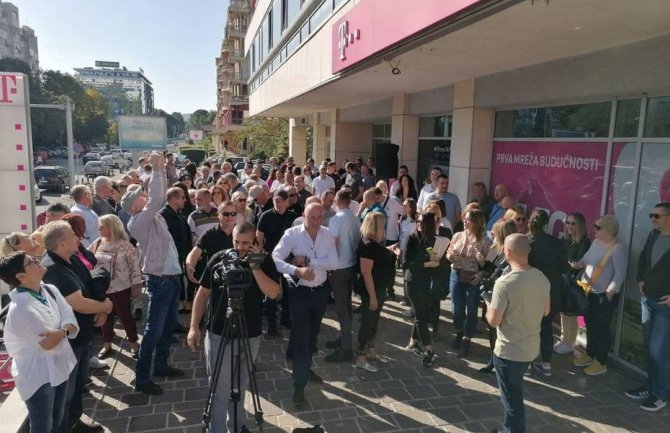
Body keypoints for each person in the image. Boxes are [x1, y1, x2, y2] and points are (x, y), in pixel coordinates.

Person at [187, 223, 280, 433]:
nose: (239, 247)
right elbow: (202, 294)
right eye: (236, 242)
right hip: (220, 333)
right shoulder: (219, 259)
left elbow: (273, 292)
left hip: (250, 334)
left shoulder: (264, 261)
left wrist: (255, 266)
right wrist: (194, 326)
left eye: (246, 243)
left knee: (240, 386)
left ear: (255, 242)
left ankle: (236, 427)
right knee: (219, 390)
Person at [122, 151, 185, 395]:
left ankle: (160, 366)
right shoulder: (138, 221)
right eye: (140, 196)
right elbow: (158, 196)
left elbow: (158, 195)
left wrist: (164, 169)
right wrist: (158, 169)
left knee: (167, 327)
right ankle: (142, 377)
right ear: (134, 206)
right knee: (153, 330)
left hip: (170, 279)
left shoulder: (150, 216)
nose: (145, 196)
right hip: (160, 282)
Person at [41, 221, 113, 433]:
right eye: (73, 235)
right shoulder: (54, 269)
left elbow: (90, 283)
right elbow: (78, 302)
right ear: (62, 244)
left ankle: (75, 422)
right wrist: (106, 307)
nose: (78, 238)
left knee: (79, 384)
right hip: (67, 342)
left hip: (80, 337)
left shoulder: (71, 258)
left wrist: (99, 309)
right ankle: (64, 427)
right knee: (66, 391)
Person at [0, 251, 79, 433]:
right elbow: (48, 343)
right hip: (38, 376)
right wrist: (65, 330)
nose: (38, 261)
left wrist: (61, 331)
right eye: (32, 262)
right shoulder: (20, 309)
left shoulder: (49, 289)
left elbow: (70, 318)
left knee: (57, 419)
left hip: (60, 366)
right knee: (43, 426)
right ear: (21, 276)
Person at [272, 203, 338, 406]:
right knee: (302, 336)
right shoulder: (292, 234)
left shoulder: (327, 234)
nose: (316, 222)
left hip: (320, 292)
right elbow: (275, 258)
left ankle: (305, 368)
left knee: (312, 335)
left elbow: (334, 263)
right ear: (304, 215)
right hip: (299, 292)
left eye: (319, 217)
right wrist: (295, 270)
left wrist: (309, 261)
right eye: (312, 217)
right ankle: (298, 387)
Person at [485, 234, 550, 433]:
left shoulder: (504, 283)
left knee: (512, 400)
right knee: (514, 393)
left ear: (508, 252)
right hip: (530, 349)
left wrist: (488, 304)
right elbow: (546, 311)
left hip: (508, 352)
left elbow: (494, 320)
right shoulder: (541, 277)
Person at [626, 202, 670, 411]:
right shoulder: (654, 235)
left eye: (657, 216)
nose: (653, 219)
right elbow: (644, 258)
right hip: (648, 301)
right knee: (649, 348)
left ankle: (660, 394)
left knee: (658, 350)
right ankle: (650, 386)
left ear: (668, 217)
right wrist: (640, 279)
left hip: (665, 306)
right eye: (652, 215)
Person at [572, 215, 627, 376]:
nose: (594, 230)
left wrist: (610, 292)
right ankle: (590, 354)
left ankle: (601, 361)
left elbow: (620, 272)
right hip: (589, 292)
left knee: (602, 328)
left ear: (609, 230)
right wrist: (580, 263)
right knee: (589, 324)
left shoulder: (617, 248)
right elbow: (587, 258)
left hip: (603, 295)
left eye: (598, 227)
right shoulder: (596, 242)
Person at [89, 215, 141, 359]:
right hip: (102, 288)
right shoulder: (98, 243)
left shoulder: (125, 245)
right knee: (105, 317)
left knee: (126, 317)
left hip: (121, 288)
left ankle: (134, 344)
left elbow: (135, 267)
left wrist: (137, 285)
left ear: (111, 227)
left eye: (102, 227)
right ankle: (107, 345)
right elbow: (87, 258)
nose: (99, 229)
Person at [527, 209, 569, 377]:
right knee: (546, 329)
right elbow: (564, 268)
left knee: (529, 328)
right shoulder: (558, 244)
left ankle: (528, 364)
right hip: (551, 293)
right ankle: (547, 365)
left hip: (530, 291)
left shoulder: (527, 242)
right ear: (546, 224)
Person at [354, 212, 396, 372]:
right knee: (368, 322)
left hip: (378, 288)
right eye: (382, 226)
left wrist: (388, 250)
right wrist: (372, 297)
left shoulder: (372, 243)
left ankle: (370, 350)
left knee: (374, 321)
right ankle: (360, 357)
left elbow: (377, 255)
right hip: (371, 290)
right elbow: (366, 273)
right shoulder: (368, 245)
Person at [446, 208, 490, 358]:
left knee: (471, 310)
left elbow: (487, 265)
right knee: (456, 309)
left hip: (473, 277)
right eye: (465, 218)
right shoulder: (458, 236)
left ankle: (466, 340)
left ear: (476, 223)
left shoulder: (484, 241)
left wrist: (480, 263)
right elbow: (448, 254)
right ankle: (459, 332)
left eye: (469, 219)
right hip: (456, 274)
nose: (465, 221)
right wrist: (451, 256)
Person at [324, 190, 361, 363]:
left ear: (337, 201)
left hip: (339, 267)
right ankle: (344, 337)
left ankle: (346, 348)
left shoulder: (337, 219)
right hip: (351, 264)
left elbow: (333, 244)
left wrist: (329, 266)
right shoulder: (354, 217)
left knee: (342, 308)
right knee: (346, 305)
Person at [402, 213, 440, 367]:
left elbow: (431, 253)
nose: (419, 224)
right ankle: (429, 350)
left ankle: (412, 343)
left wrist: (435, 257)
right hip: (412, 281)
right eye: (417, 221)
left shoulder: (431, 240)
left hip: (425, 281)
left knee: (421, 313)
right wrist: (426, 265)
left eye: (422, 222)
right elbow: (405, 263)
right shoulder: (411, 238)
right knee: (420, 316)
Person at [479, 220, 517, 373]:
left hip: (505, 294)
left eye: (495, 231)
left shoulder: (513, 252)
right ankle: (493, 359)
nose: (492, 234)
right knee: (492, 328)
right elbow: (487, 268)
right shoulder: (494, 248)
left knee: (505, 328)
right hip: (492, 293)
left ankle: (504, 360)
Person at [554, 212, 591, 355]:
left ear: (580, 225)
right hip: (564, 280)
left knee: (571, 312)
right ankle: (564, 339)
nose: (569, 226)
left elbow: (579, 263)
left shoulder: (584, 243)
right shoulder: (567, 241)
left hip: (576, 283)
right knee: (564, 311)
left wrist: (569, 264)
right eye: (568, 223)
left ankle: (570, 342)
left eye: (573, 223)